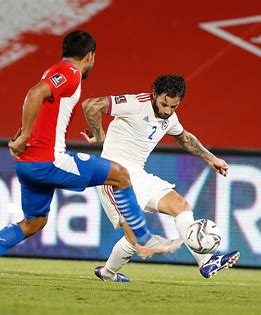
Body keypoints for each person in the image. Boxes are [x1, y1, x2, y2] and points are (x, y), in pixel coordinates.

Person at [0, 31, 181, 287]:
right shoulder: (70, 72)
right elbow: (34, 94)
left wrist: (21, 137)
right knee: (120, 175)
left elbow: (39, 104)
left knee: (34, 222)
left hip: (28, 163)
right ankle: (142, 238)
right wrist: (25, 135)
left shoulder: (51, 70)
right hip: (50, 160)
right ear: (90, 56)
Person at [80, 75, 240, 282]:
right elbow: (90, 105)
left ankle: (206, 261)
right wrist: (99, 135)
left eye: (173, 106)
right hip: (112, 176)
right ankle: (108, 273)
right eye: (164, 103)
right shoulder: (135, 104)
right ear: (154, 94)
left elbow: (184, 137)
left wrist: (210, 158)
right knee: (134, 237)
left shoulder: (170, 118)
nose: (167, 110)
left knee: (180, 205)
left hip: (138, 175)